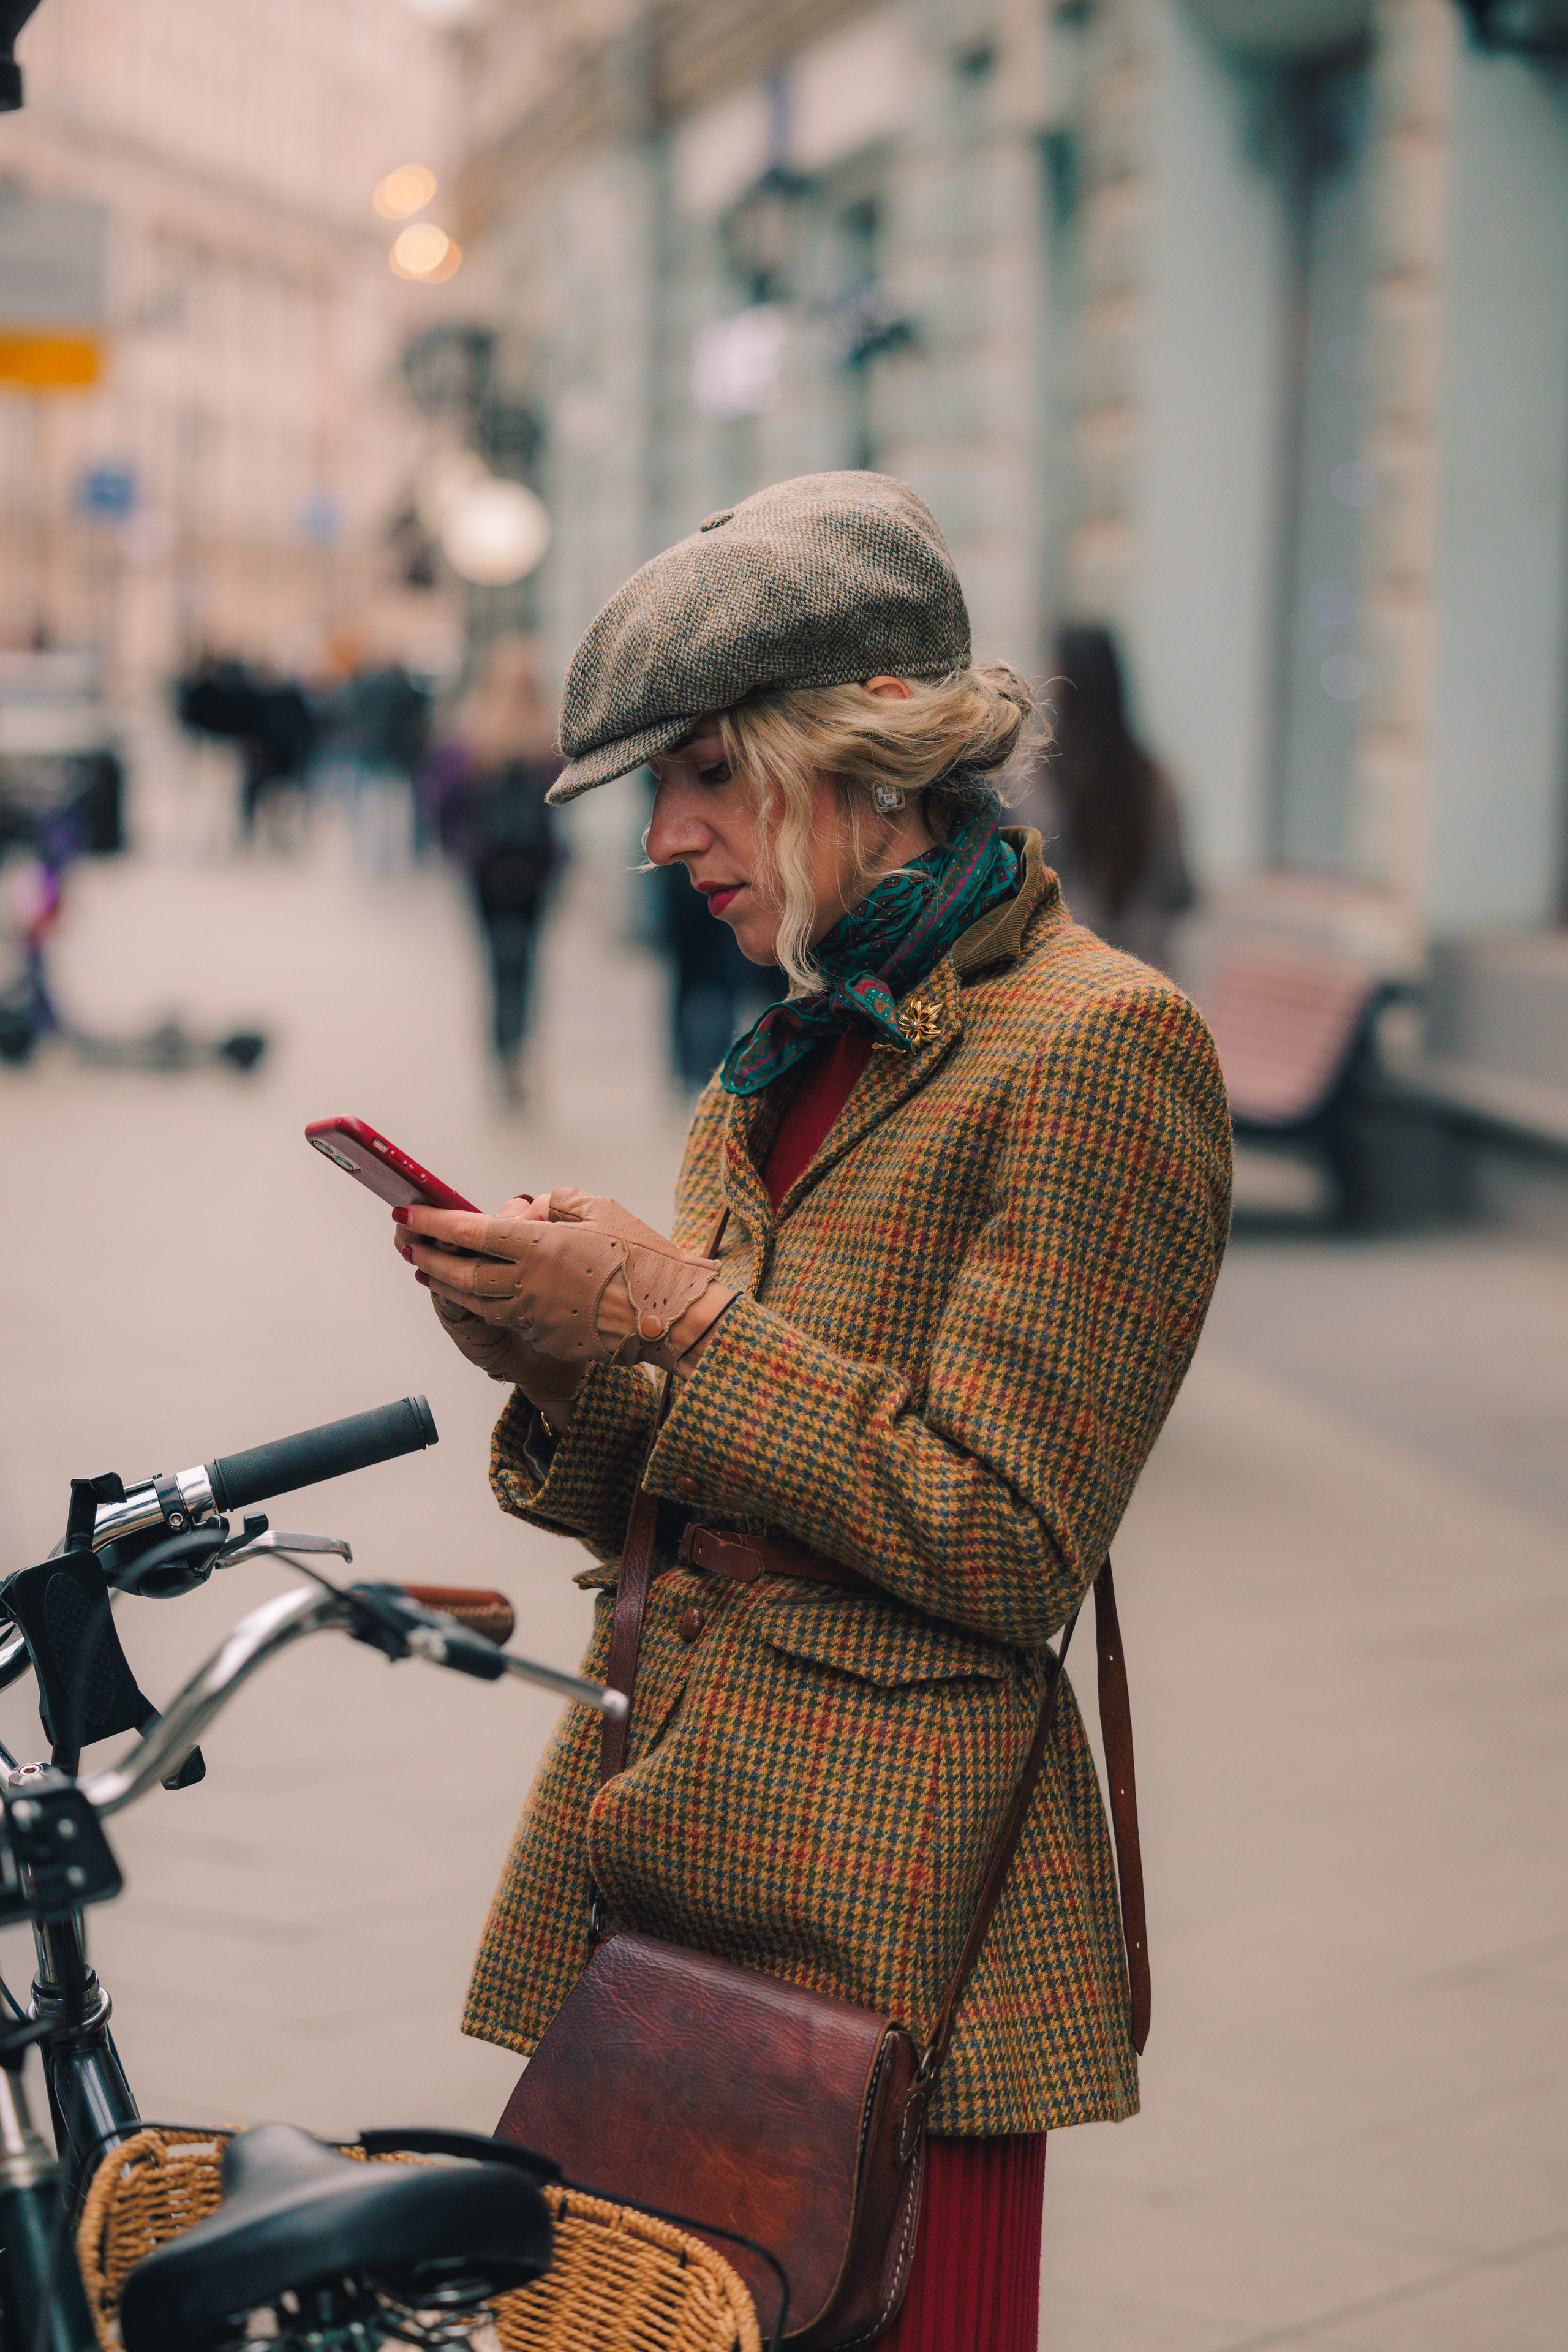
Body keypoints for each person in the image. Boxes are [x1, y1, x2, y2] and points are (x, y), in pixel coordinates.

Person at [388, 474, 1231, 2347]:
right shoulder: (792, 1039)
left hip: (888, 1924)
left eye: (700, 770)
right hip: (670, 1873)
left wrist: (670, 1311)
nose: (664, 833)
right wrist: (560, 1355)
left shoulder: (1102, 1046)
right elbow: (682, 1474)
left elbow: (1009, 1537)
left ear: (853, 745)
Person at [420, 636, 562, 1106]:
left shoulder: (467, 742)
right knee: (525, 965)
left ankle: (503, 1055)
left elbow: (440, 808)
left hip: (485, 873)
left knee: (495, 965)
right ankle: (517, 1048)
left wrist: (463, 851)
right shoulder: (548, 743)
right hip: (534, 873)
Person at [1023, 622, 1194, 973]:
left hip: (1060, 984)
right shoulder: (1154, 780)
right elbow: (1180, 893)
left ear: (1061, 682)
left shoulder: (1036, 778)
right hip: (1143, 984)